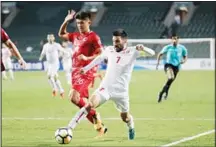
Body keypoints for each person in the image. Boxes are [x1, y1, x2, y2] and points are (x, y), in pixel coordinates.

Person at [66, 29, 155, 140]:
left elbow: (152, 53)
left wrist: (143, 48)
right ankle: (69, 127)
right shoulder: (109, 50)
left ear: (125, 40)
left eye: (117, 41)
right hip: (106, 88)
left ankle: (131, 125)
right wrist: (86, 68)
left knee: (125, 117)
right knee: (90, 104)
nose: (115, 44)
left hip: (121, 92)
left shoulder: (133, 51)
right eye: (113, 41)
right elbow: (99, 58)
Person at [58, 10, 106, 135]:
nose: (80, 25)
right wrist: (66, 21)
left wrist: (87, 58)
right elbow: (61, 34)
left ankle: (95, 116)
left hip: (86, 71)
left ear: (89, 22)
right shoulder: (75, 36)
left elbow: (101, 54)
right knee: (78, 100)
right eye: (78, 23)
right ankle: (98, 123)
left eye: (82, 23)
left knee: (73, 97)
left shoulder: (93, 37)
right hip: (75, 71)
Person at [156, 36, 188, 103]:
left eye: (176, 39)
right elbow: (160, 54)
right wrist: (157, 63)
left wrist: (184, 61)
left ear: (178, 40)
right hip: (168, 65)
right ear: (171, 40)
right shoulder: (168, 47)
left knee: (170, 82)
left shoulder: (182, 48)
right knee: (171, 77)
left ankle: (164, 92)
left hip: (177, 67)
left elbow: (185, 56)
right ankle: (162, 93)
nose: (174, 40)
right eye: (173, 39)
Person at [39, 34, 65, 98]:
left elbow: (63, 51)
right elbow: (43, 53)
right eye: (49, 37)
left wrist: (61, 55)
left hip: (55, 63)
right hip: (49, 64)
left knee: (50, 76)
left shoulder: (56, 45)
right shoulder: (45, 46)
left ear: (53, 38)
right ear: (47, 39)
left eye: (51, 37)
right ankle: (61, 90)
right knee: (54, 78)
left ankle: (54, 89)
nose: (50, 38)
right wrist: (40, 58)